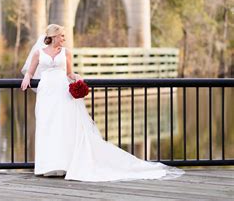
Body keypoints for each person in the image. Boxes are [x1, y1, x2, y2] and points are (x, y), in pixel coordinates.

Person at [20, 24, 184, 181]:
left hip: (63, 92)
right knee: (47, 125)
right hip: (47, 92)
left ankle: (64, 164)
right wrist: (27, 78)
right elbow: (30, 72)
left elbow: (69, 73)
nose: (64, 38)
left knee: (65, 125)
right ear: (54, 36)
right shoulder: (39, 53)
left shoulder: (66, 53)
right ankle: (47, 166)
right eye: (61, 35)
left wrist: (76, 77)